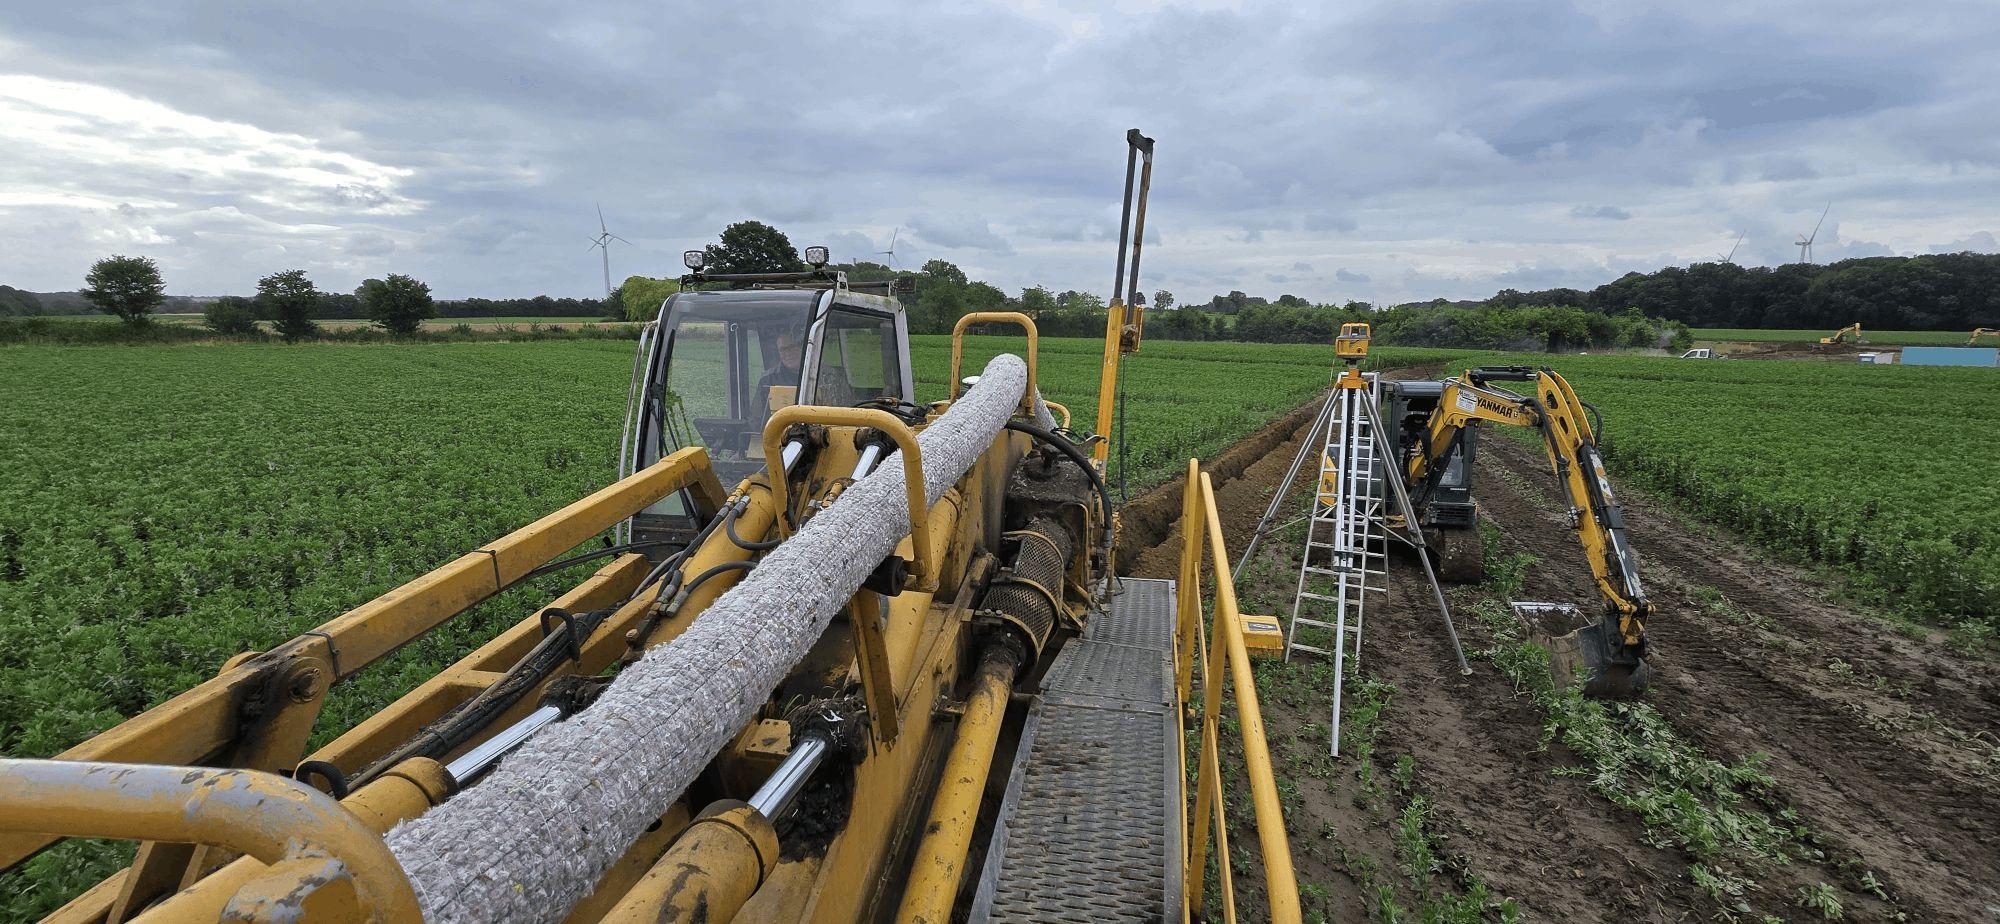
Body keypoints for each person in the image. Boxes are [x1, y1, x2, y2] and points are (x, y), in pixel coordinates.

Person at [751, 326, 805, 423]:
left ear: (803, 347)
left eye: (793, 347)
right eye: (783, 349)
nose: (788, 353)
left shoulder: (825, 375)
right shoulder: (768, 380)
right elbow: (756, 419)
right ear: (778, 352)